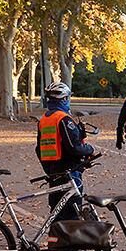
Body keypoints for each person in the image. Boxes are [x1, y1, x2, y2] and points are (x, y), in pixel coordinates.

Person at [36, 81, 95, 220]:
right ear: (64, 99)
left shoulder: (44, 119)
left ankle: (55, 240)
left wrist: (48, 169)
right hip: (69, 171)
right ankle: (70, 241)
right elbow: (74, 147)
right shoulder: (63, 119)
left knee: (56, 213)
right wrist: (89, 150)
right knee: (72, 214)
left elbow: (39, 149)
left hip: (53, 172)